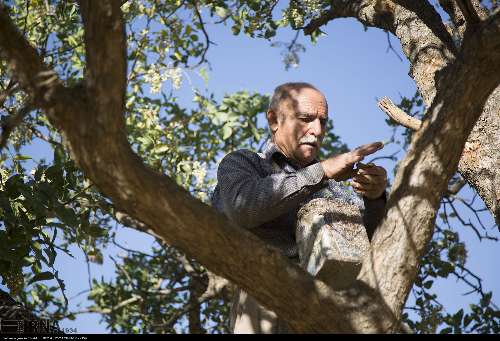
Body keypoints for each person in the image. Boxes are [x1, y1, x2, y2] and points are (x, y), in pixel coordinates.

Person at [211, 82, 388, 333]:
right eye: (306, 118)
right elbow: (244, 208)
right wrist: (323, 170)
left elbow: (373, 246)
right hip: (266, 297)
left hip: (332, 310)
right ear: (274, 120)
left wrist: (375, 198)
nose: (316, 130)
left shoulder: (336, 190)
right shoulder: (243, 164)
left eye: (323, 122)